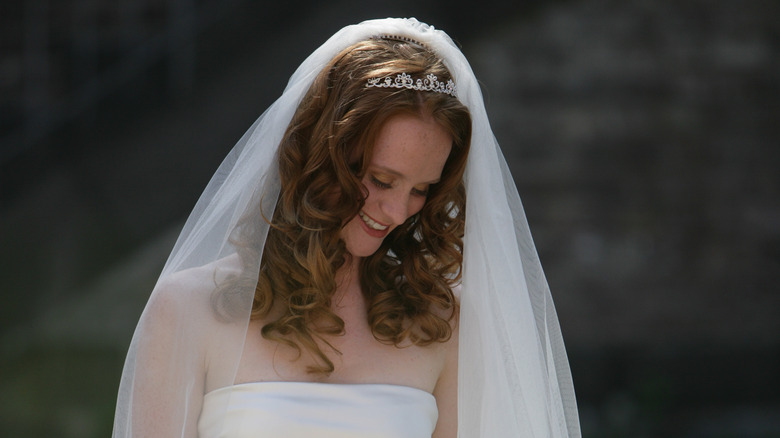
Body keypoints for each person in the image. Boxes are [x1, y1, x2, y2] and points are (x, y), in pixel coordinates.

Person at [113, 18, 580, 438]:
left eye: (420, 190)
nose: (397, 212)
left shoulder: (441, 324)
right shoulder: (188, 309)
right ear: (321, 155)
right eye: (381, 180)